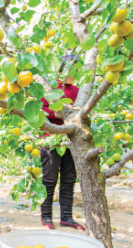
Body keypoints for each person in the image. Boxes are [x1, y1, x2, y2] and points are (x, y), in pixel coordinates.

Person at [39, 54, 85, 231]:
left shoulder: (77, 90)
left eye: (77, 69)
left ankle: (66, 217)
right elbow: (40, 109)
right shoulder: (50, 88)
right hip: (51, 139)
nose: (74, 72)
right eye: (71, 69)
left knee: (69, 179)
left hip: (71, 139)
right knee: (50, 178)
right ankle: (46, 216)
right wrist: (62, 111)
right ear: (62, 68)